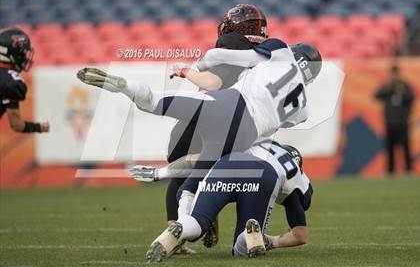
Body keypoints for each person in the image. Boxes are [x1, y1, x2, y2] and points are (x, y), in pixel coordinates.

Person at [77, 39, 321, 226]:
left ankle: (127, 87)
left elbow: (218, 54)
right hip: (244, 134)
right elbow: (283, 117)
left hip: (227, 103)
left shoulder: (280, 51)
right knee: (193, 184)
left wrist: (196, 66)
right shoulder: (304, 110)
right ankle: (182, 228)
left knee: (155, 101)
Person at [165, 4, 268, 250]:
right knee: (250, 175)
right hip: (238, 123)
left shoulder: (233, 47)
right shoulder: (264, 54)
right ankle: (242, 229)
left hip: (209, 119)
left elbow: (213, 83)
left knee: (182, 176)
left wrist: (187, 71)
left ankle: (182, 230)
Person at [142, 141, 313, 261]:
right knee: (241, 251)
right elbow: (301, 236)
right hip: (263, 174)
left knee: (196, 221)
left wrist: (187, 196)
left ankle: (182, 226)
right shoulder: (297, 176)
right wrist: (271, 241)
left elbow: (199, 159)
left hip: (228, 163)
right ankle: (249, 234)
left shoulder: (261, 140)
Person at [0, 28, 49, 133]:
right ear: (13, 55)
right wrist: (39, 127)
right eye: (22, 54)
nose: (24, 58)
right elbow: (17, 125)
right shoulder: (11, 81)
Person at [375, 64, 414, 174]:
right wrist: (389, 88)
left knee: (405, 148)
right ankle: (390, 171)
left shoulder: (404, 86)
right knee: (390, 149)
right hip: (390, 123)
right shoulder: (388, 86)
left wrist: (402, 91)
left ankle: (408, 170)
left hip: (402, 123)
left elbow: (411, 97)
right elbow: (377, 95)